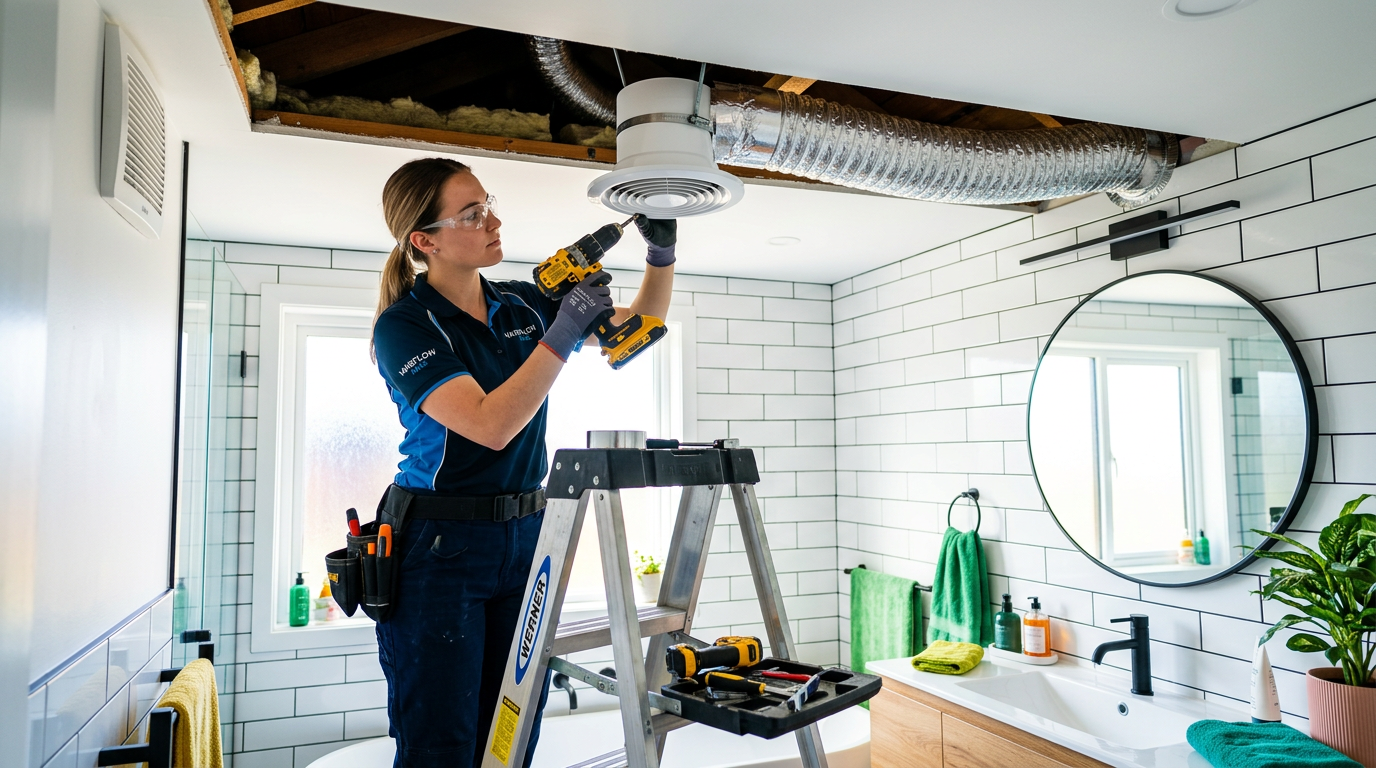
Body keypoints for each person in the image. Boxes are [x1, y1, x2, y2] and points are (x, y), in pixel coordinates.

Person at [369, 157, 677, 767]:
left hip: (525, 533)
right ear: (424, 241)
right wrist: (562, 333)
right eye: (473, 213)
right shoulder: (404, 327)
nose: (495, 220)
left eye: (489, 203)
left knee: (513, 727)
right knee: (443, 743)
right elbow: (489, 425)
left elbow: (641, 326)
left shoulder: (519, 303)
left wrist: (661, 255)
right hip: (438, 545)